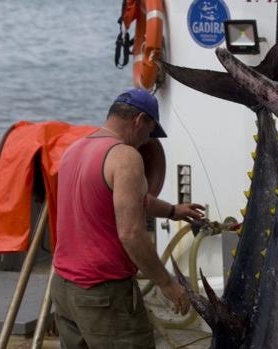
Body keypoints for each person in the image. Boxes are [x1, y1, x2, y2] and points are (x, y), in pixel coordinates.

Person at [50, 88, 205, 348]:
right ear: (139, 120)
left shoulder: (74, 150)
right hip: (103, 295)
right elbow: (131, 233)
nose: (147, 140)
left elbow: (122, 200)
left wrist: (172, 210)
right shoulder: (126, 157)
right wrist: (167, 284)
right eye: (150, 131)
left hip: (64, 289)